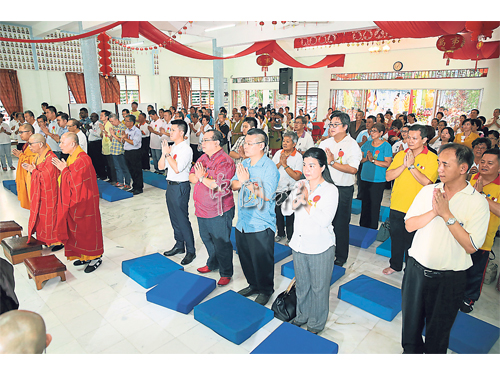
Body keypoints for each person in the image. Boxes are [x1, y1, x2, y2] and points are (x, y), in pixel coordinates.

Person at [402, 143, 489, 354]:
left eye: (445, 164)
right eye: (439, 163)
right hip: (416, 271)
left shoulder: (477, 202)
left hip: (449, 278)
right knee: (410, 328)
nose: (439, 169)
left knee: (438, 333)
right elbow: (409, 225)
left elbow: (471, 246)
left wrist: (447, 215)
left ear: (463, 168)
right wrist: (434, 211)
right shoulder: (428, 191)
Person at [282, 147, 338, 334]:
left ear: (322, 167)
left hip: (320, 246)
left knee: (319, 288)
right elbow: (286, 211)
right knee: (302, 285)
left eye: (312, 165)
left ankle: (315, 323)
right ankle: (302, 316)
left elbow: (324, 220)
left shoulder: (330, 190)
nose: (307, 169)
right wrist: (297, 197)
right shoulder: (300, 185)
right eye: (305, 164)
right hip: (299, 245)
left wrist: (306, 202)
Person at [231, 128, 280, 305]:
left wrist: (246, 182)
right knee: (246, 257)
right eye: (244, 143)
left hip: (261, 222)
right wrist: (241, 181)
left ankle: (266, 290)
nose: (244, 146)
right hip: (243, 221)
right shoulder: (244, 163)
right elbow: (233, 184)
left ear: (261, 146)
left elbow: (267, 194)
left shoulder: (269, 167)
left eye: (249, 143)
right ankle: (253, 285)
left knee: (262, 260)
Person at [384, 125, 439, 275]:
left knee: (412, 241)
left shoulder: (432, 158)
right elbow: (388, 176)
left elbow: (427, 182)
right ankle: (395, 265)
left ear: (424, 140)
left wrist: (412, 166)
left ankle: (410, 270)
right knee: (396, 237)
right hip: (397, 204)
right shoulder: (401, 154)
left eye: (414, 138)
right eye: (408, 137)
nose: (410, 141)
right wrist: (404, 164)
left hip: (417, 208)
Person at [189, 129, 236, 286]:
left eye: (205, 140)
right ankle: (213, 263)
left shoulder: (225, 161)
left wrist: (202, 177)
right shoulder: (203, 157)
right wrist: (204, 179)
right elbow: (191, 177)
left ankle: (226, 272)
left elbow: (219, 186)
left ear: (216, 142)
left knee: (221, 242)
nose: (202, 143)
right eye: (202, 140)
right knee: (206, 238)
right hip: (201, 207)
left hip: (219, 210)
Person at [52, 132, 104, 273]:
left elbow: (77, 181)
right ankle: (84, 255)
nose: (60, 145)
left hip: (85, 202)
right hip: (76, 200)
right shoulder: (72, 157)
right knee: (78, 231)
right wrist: (65, 171)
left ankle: (95, 257)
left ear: (73, 144)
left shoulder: (83, 159)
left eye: (63, 142)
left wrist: (64, 171)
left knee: (87, 230)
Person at [319, 112, 362, 266]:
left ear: (345, 127)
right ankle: (325, 249)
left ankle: (341, 256)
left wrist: (332, 163)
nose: (332, 127)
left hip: (342, 189)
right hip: (325, 187)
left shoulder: (352, 146)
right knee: (323, 220)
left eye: (336, 124)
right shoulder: (325, 143)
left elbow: (353, 169)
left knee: (340, 224)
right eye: (331, 124)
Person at [462, 149, 500, 313]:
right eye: (483, 162)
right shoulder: (474, 178)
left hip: (483, 239)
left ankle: (469, 299)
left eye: (490, 163)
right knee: (459, 267)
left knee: (475, 272)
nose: (484, 165)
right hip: (462, 233)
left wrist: (482, 195)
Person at [160, 120, 196, 265]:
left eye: (173, 130)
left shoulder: (185, 149)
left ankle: (191, 251)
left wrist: (168, 155)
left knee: (182, 219)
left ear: (181, 132)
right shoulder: (172, 147)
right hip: (170, 186)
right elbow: (161, 167)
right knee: (174, 218)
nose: (170, 132)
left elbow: (177, 169)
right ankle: (179, 245)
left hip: (181, 186)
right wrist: (164, 154)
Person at [23, 134, 62, 250]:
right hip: (41, 193)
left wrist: (32, 170)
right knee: (42, 218)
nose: (29, 146)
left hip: (50, 194)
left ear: (40, 144)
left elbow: (47, 179)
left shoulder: (50, 158)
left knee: (51, 217)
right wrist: (32, 170)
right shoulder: (39, 156)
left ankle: (57, 241)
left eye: (31, 144)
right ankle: (45, 239)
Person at [359, 123, 393, 229]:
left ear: (381, 133)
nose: (372, 133)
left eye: (374, 131)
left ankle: (372, 227)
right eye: (371, 131)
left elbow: (387, 163)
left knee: (374, 204)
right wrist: (366, 158)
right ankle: (363, 225)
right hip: (365, 176)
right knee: (365, 203)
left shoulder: (386, 146)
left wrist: (373, 160)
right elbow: (360, 159)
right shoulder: (367, 144)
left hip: (378, 179)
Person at [273, 131, 303, 244]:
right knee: (278, 213)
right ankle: (280, 233)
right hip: (278, 189)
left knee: (290, 215)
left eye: (287, 141)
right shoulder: (278, 153)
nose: (284, 143)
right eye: (283, 141)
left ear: (294, 144)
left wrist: (285, 165)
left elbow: (297, 176)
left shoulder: (298, 157)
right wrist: (280, 163)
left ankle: (291, 237)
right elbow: (271, 169)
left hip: (291, 190)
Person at [12, 123, 36, 209]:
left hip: (33, 177)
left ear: (30, 133)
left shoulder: (36, 144)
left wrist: (21, 156)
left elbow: (35, 161)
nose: (20, 134)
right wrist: (21, 156)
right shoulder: (27, 144)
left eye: (22, 132)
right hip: (26, 176)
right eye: (19, 132)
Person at [120, 114, 143, 195]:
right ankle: (134, 186)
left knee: (136, 170)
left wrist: (125, 138)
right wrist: (123, 137)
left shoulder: (137, 131)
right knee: (131, 170)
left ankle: (139, 188)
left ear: (132, 122)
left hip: (135, 152)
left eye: (127, 121)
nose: (125, 122)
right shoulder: (126, 130)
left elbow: (135, 143)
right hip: (127, 152)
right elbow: (123, 142)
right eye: (125, 121)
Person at [108, 114, 132, 190]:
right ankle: (120, 181)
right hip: (114, 150)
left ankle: (127, 183)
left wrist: (113, 135)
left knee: (124, 168)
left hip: (120, 151)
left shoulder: (123, 127)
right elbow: (112, 140)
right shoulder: (114, 127)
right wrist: (111, 135)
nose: (111, 123)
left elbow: (122, 141)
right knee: (117, 167)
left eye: (112, 121)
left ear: (116, 120)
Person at [87, 112, 106, 180]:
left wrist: (90, 129)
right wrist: (87, 129)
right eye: (91, 116)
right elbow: (88, 134)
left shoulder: (99, 124)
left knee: (99, 160)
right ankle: (97, 173)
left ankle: (102, 174)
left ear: (97, 118)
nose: (91, 118)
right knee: (93, 160)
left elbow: (98, 134)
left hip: (97, 143)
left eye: (93, 116)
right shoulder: (90, 124)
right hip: (91, 143)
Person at [99, 110, 116, 184]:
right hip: (105, 147)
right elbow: (101, 135)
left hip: (110, 147)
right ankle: (110, 178)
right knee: (108, 165)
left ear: (106, 117)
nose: (100, 117)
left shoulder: (109, 124)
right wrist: (102, 130)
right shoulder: (104, 124)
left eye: (102, 115)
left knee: (111, 165)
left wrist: (103, 130)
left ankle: (114, 179)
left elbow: (110, 136)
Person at [148, 109, 166, 174]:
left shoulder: (161, 122)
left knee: (159, 157)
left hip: (158, 142)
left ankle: (161, 170)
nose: (151, 118)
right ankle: (156, 169)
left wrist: (153, 131)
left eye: (152, 116)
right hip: (152, 142)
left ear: (155, 115)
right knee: (154, 157)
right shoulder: (152, 122)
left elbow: (161, 133)